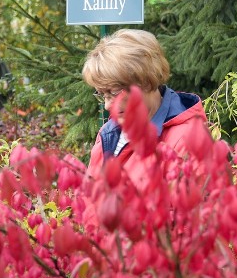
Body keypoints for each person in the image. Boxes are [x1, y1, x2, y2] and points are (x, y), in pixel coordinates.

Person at [82, 29, 206, 179]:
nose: (108, 106)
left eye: (114, 92)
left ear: (145, 82)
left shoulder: (186, 140)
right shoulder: (109, 133)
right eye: (102, 95)